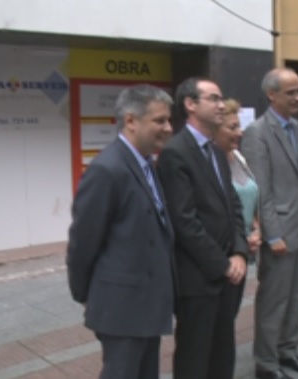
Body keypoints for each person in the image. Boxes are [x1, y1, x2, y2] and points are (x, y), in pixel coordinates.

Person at [66, 85, 175, 379]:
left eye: (168, 120)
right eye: (160, 120)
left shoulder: (146, 164)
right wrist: (84, 293)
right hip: (122, 307)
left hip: (147, 302)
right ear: (131, 121)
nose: (168, 128)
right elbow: (83, 241)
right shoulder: (108, 169)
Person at [156, 78, 249, 379]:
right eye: (213, 98)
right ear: (191, 104)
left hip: (227, 275)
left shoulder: (216, 150)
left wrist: (238, 251)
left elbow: (232, 205)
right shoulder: (176, 153)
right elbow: (184, 221)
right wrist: (221, 264)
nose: (222, 105)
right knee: (195, 359)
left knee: (223, 354)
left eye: (222, 98)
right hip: (198, 279)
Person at [242, 67, 298, 379]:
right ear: (271, 95)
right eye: (291, 92)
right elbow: (262, 190)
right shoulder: (257, 133)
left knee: (296, 297)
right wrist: (272, 234)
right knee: (273, 301)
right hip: (280, 233)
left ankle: (288, 351)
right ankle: (266, 362)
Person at [214, 98, 262, 260]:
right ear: (215, 129)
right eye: (233, 127)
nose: (240, 132)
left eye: (239, 126)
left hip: (246, 246)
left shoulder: (238, 157)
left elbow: (250, 201)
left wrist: (256, 230)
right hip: (224, 252)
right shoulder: (210, 162)